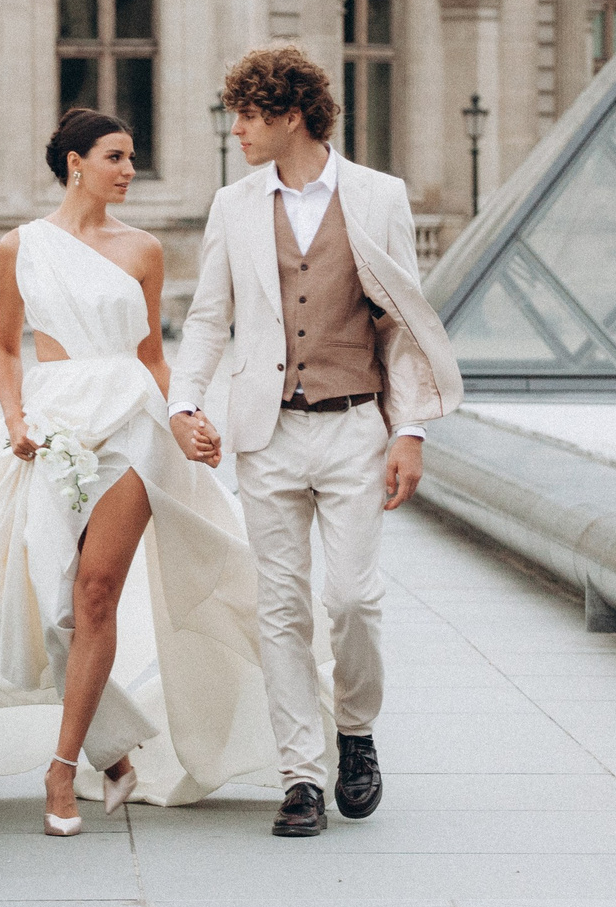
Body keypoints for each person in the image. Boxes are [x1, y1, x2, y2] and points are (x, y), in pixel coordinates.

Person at [0, 108, 272, 834]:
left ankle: (62, 767)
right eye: (115, 155)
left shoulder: (143, 250)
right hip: (53, 421)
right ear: (75, 163)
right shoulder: (21, 247)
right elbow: (8, 348)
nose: (129, 169)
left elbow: (151, 357)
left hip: (134, 423)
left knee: (96, 589)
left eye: (132, 156)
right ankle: (115, 746)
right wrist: (15, 421)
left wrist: (186, 414)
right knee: (53, 604)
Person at [168, 46, 464, 837]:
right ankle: (302, 773)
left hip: (355, 428)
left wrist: (409, 431)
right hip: (264, 433)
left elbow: (400, 322)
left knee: (353, 599)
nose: (235, 129)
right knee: (280, 606)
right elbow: (207, 317)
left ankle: (356, 731)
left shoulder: (378, 196)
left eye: (247, 115)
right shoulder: (232, 204)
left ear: (291, 113)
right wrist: (185, 399)